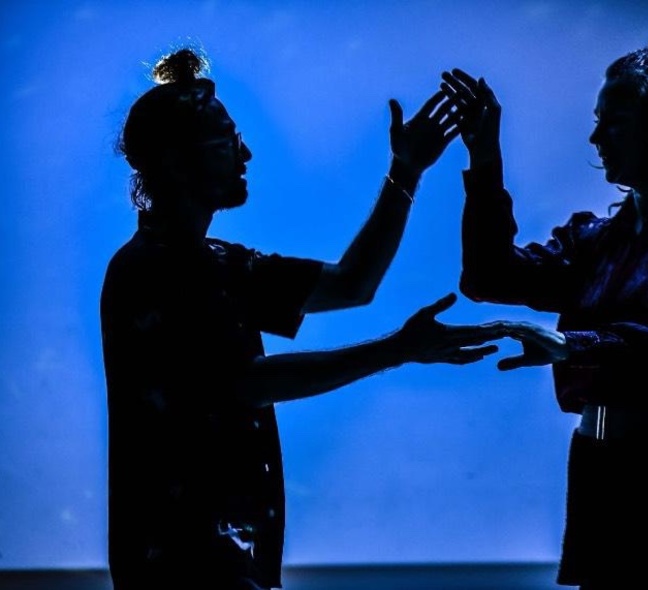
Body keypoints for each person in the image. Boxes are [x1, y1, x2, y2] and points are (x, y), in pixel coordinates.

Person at [100, 48, 504, 590]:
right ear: (176, 160)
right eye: (226, 139)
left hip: (222, 560)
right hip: (186, 565)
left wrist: (405, 171)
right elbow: (246, 383)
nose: (245, 152)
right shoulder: (153, 271)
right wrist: (397, 349)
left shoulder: (213, 262)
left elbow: (351, 284)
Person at [440, 33, 648, 589]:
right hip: (606, 475)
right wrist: (484, 156)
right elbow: (488, 277)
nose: (595, 137)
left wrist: (575, 345)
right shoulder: (596, 241)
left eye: (612, 121)